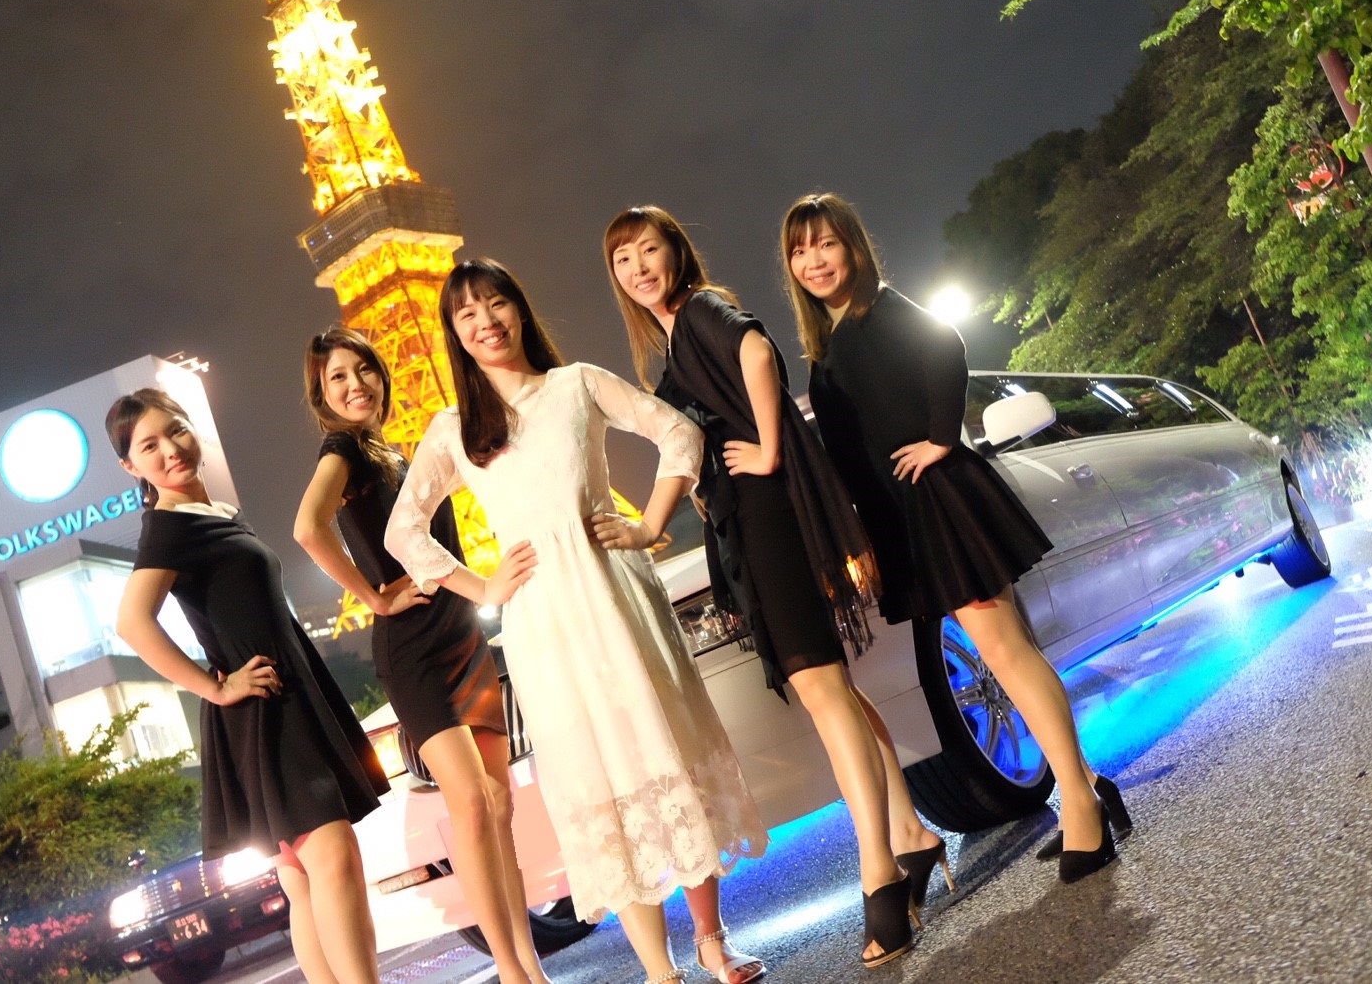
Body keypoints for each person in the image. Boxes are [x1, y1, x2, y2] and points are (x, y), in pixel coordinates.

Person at [385, 258, 769, 984]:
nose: (486, 321)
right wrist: (483, 585)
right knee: (600, 788)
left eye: (496, 303)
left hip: (617, 597)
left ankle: (712, 939)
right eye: (467, 314)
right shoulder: (452, 429)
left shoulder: (577, 384)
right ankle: (659, 971)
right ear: (454, 334)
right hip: (544, 625)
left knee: (666, 755)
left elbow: (679, 433)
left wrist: (648, 522)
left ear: (520, 309)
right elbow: (404, 531)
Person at [604, 206, 943, 969]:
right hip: (752, 517)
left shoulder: (699, 309)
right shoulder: (675, 336)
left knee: (822, 689)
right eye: (623, 260)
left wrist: (762, 446)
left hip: (770, 515)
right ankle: (911, 834)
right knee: (834, 691)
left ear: (675, 251)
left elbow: (757, 350)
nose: (639, 268)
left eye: (649, 250)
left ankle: (879, 871)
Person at [779, 192, 1133, 884]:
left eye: (826, 243)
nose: (814, 260)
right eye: (799, 250)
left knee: (1004, 649)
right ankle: (1089, 788)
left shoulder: (881, 311)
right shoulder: (834, 339)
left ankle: (1081, 805)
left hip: (937, 498)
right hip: (903, 515)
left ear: (853, 246)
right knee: (1004, 651)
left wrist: (942, 438)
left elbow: (948, 346)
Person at [294, 326, 550, 984]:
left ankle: (529, 965)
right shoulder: (343, 451)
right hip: (412, 650)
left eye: (364, 369)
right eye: (337, 377)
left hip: (460, 634)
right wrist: (373, 598)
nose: (356, 385)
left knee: (499, 805)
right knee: (472, 804)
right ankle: (511, 971)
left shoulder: (394, 454)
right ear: (321, 395)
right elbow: (307, 528)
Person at [108, 388, 388, 984]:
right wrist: (214, 687)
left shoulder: (214, 514)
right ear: (131, 467)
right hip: (263, 711)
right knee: (332, 860)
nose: (171, 450)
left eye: (176, 430)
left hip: (285, 700)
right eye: (149, 446)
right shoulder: (168, 528)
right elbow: (132, 622)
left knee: (303, 878)